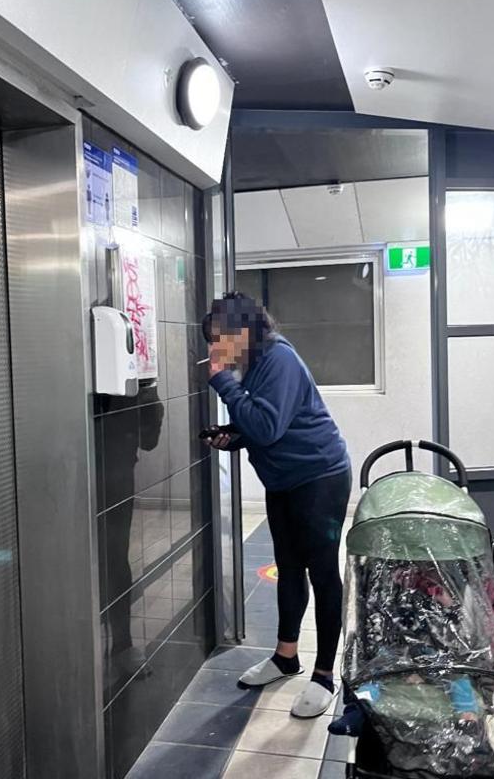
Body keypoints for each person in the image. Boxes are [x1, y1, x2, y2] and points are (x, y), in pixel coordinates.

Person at [203, 291, 352, 718]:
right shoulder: (252, 363)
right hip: (284, 479)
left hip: (319, 476)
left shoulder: (278, 358)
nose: (214, 349)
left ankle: (325, 674)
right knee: (288, 567)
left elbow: (268, 426)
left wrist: (223, 383)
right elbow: (263, 423)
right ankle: (286, 656)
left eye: (219, 338)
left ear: (243, 331)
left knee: (322, 571)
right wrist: (233, 435)